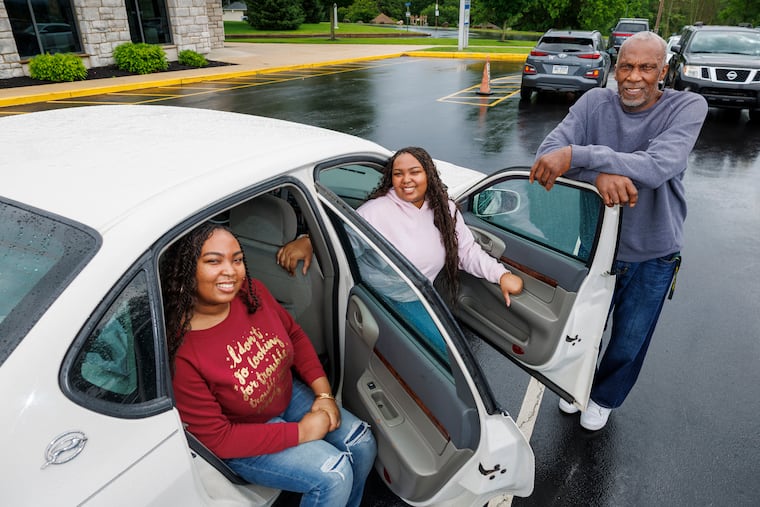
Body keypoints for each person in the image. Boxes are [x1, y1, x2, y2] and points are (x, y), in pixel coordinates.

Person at [529, 31, 708, 431]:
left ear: (664, 70)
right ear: (614, 68)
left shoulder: (689, 106)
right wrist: (601, 176)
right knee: (582, 331)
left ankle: (603, 397)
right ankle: (576, 386)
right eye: (627, 66)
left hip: (653, 253)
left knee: (628, 341)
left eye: (647, 68)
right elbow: (546, 157)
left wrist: (579, 157)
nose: (634, 77)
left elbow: (659, 165)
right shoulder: (594, 103)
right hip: (595, 248)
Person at [161, 222, 376, 507]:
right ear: (186, 271)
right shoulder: (183, 352)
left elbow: (295, 337)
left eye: (236, 259)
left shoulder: (253, 293)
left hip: (285, 396)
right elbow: (218, 438)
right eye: (214, 261)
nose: (230, 270)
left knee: (362, 443)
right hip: (242, 433)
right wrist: (302, 432)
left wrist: (324, 395)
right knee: (333, 475)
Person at [277, 146, 523, 308]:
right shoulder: (375, 212)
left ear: (428, 175)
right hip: (381, 302)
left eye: (414, 172)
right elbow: (341, 243)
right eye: (398, 174)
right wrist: (309, 241)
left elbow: (466, 251)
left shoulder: (445, 209)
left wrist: (500, 274)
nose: (406, 180)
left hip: (421, 297)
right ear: (391, 178)